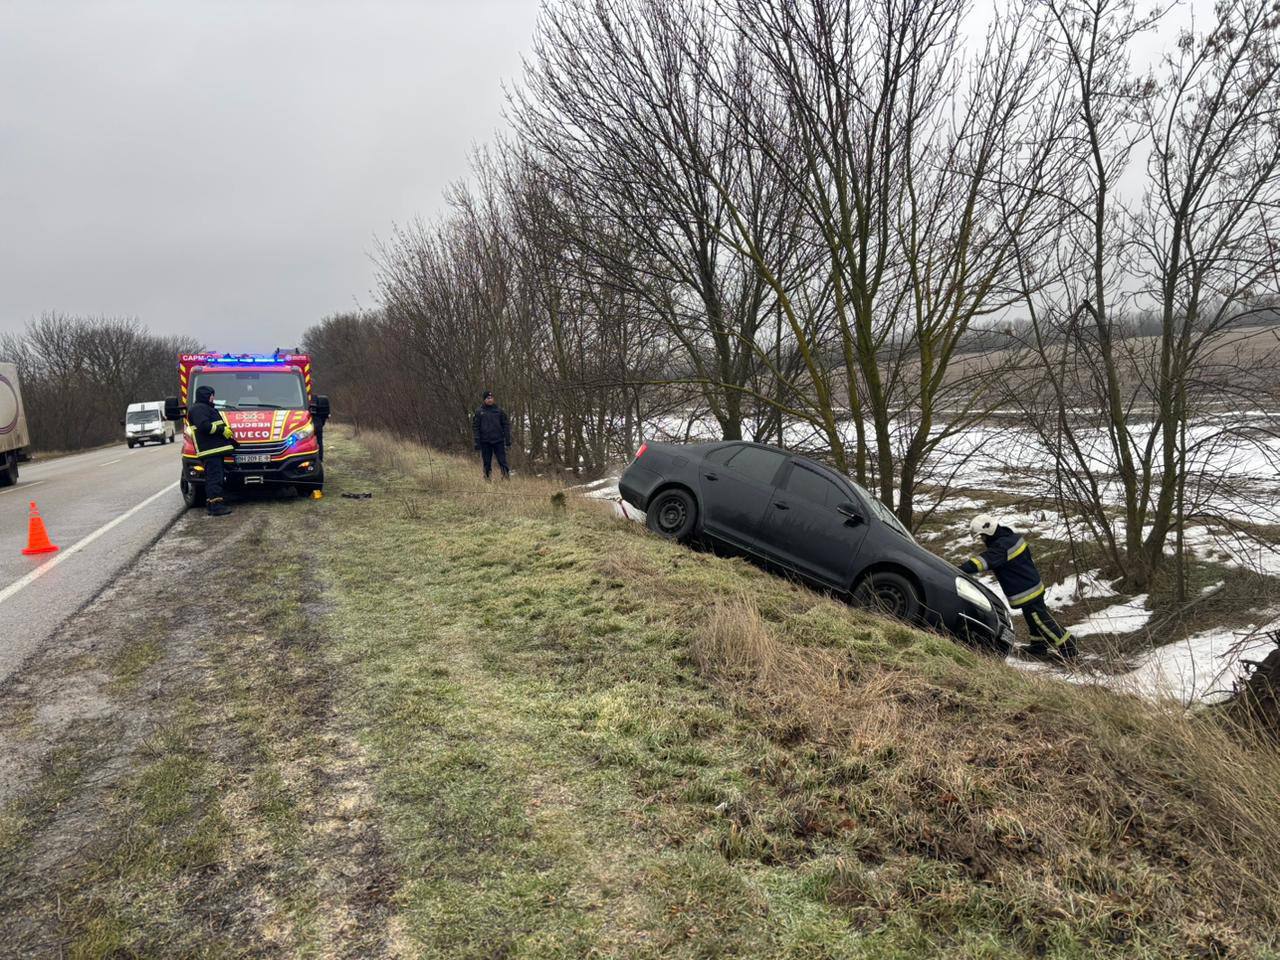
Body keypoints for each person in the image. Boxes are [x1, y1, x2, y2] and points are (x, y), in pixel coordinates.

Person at [959, 514, 1078, 661]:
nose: (982, 540)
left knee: (1040, 620)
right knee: (1032, 619)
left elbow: (982, 562)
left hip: (1027, 590)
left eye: (982, 536)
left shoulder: (1002, 547)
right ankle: (1038, 646)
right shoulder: (1010, 538)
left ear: (988, 532)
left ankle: (1068, 645)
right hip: (1031, 585)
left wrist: (958, 569)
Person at [187, 385, 237, 517]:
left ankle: (212, 503)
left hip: (214, 450)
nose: (213, 398)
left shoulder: (204, 408)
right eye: (211, 395)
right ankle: (216, 506)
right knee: (214, 479)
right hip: (210, 451)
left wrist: (229, 438)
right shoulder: (198, 409)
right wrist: (222, 430)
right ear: (206, 395)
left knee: (215, 477)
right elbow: (204, 426)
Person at [472, 390, 512, 480]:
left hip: (498, 441)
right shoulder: (479, 412)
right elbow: (475, 427)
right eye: (487, 398)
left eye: (491, 398)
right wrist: (477, 442)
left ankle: (506, 478)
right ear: (484, 400)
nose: (490, 400)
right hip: (485, 441)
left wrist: (508, 441)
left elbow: (506, 425)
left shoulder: (499, 411)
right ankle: (487, 479)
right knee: (487, 463)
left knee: (502, 461)